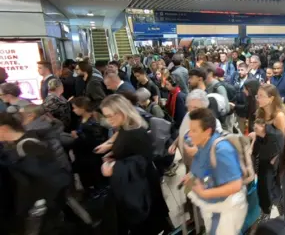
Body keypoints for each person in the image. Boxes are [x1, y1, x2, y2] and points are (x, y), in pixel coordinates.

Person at [95, 94, 173, 234]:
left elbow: (142, 161)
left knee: (148, 225)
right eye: (107, 116)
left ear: (123, 111)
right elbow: (131, 153)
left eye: (113, 115)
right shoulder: (126, 128)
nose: (109, 119)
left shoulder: (135, 133)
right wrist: (113, 155)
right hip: (137, 184)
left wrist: (114, 168)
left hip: (142, 188)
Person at [0, 112, 71, 234]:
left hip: (39, 210)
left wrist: (37, 205)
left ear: (4, 128)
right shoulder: (25, 142)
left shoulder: (29, 145)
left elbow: (50, 180)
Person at [183, 108, 248, 234]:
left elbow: (236, 185)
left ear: (207, 131)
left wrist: (204, 193)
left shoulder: (221, 150)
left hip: (224, 212)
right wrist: (192, 176)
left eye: (194, 130)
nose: (189, 134)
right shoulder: (202, 145)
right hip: (213, 209)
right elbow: (204, 167)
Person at [70, 96, 109, 195]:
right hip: (83, 156)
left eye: (75, 108)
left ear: (82, 108)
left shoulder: (93, 123)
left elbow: (95, 141)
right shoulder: (83, 119)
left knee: (94, 176)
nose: (73, 110)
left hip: (90, 157)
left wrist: (77, 137)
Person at [251, 118, 283, 221]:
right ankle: (265, 211)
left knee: (271, 189)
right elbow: (254, 152)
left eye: (256, 127)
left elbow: (282, 150)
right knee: (262, 189)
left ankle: (276, 210)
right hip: (263, 165)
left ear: (263, 126)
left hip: (274, 167)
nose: (254, 129)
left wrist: (275, 159)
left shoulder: (275, 136)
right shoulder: (259, 137)